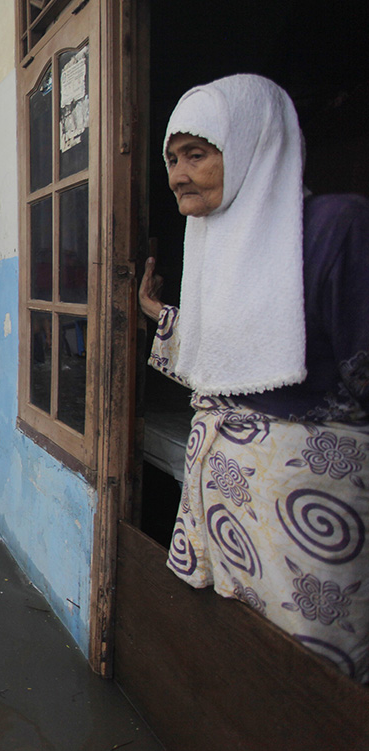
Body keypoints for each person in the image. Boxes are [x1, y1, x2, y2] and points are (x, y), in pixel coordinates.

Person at [138, 74, 369, 682]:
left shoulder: (336, 228)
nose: (178, 175)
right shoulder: (214, 241)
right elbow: (234, 345)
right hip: (227, 514)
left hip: (307, 521)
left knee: (311, 679)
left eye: (197, 154)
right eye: (171, 158)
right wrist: (158, 315)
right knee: (233, 670)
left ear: (250, 146)